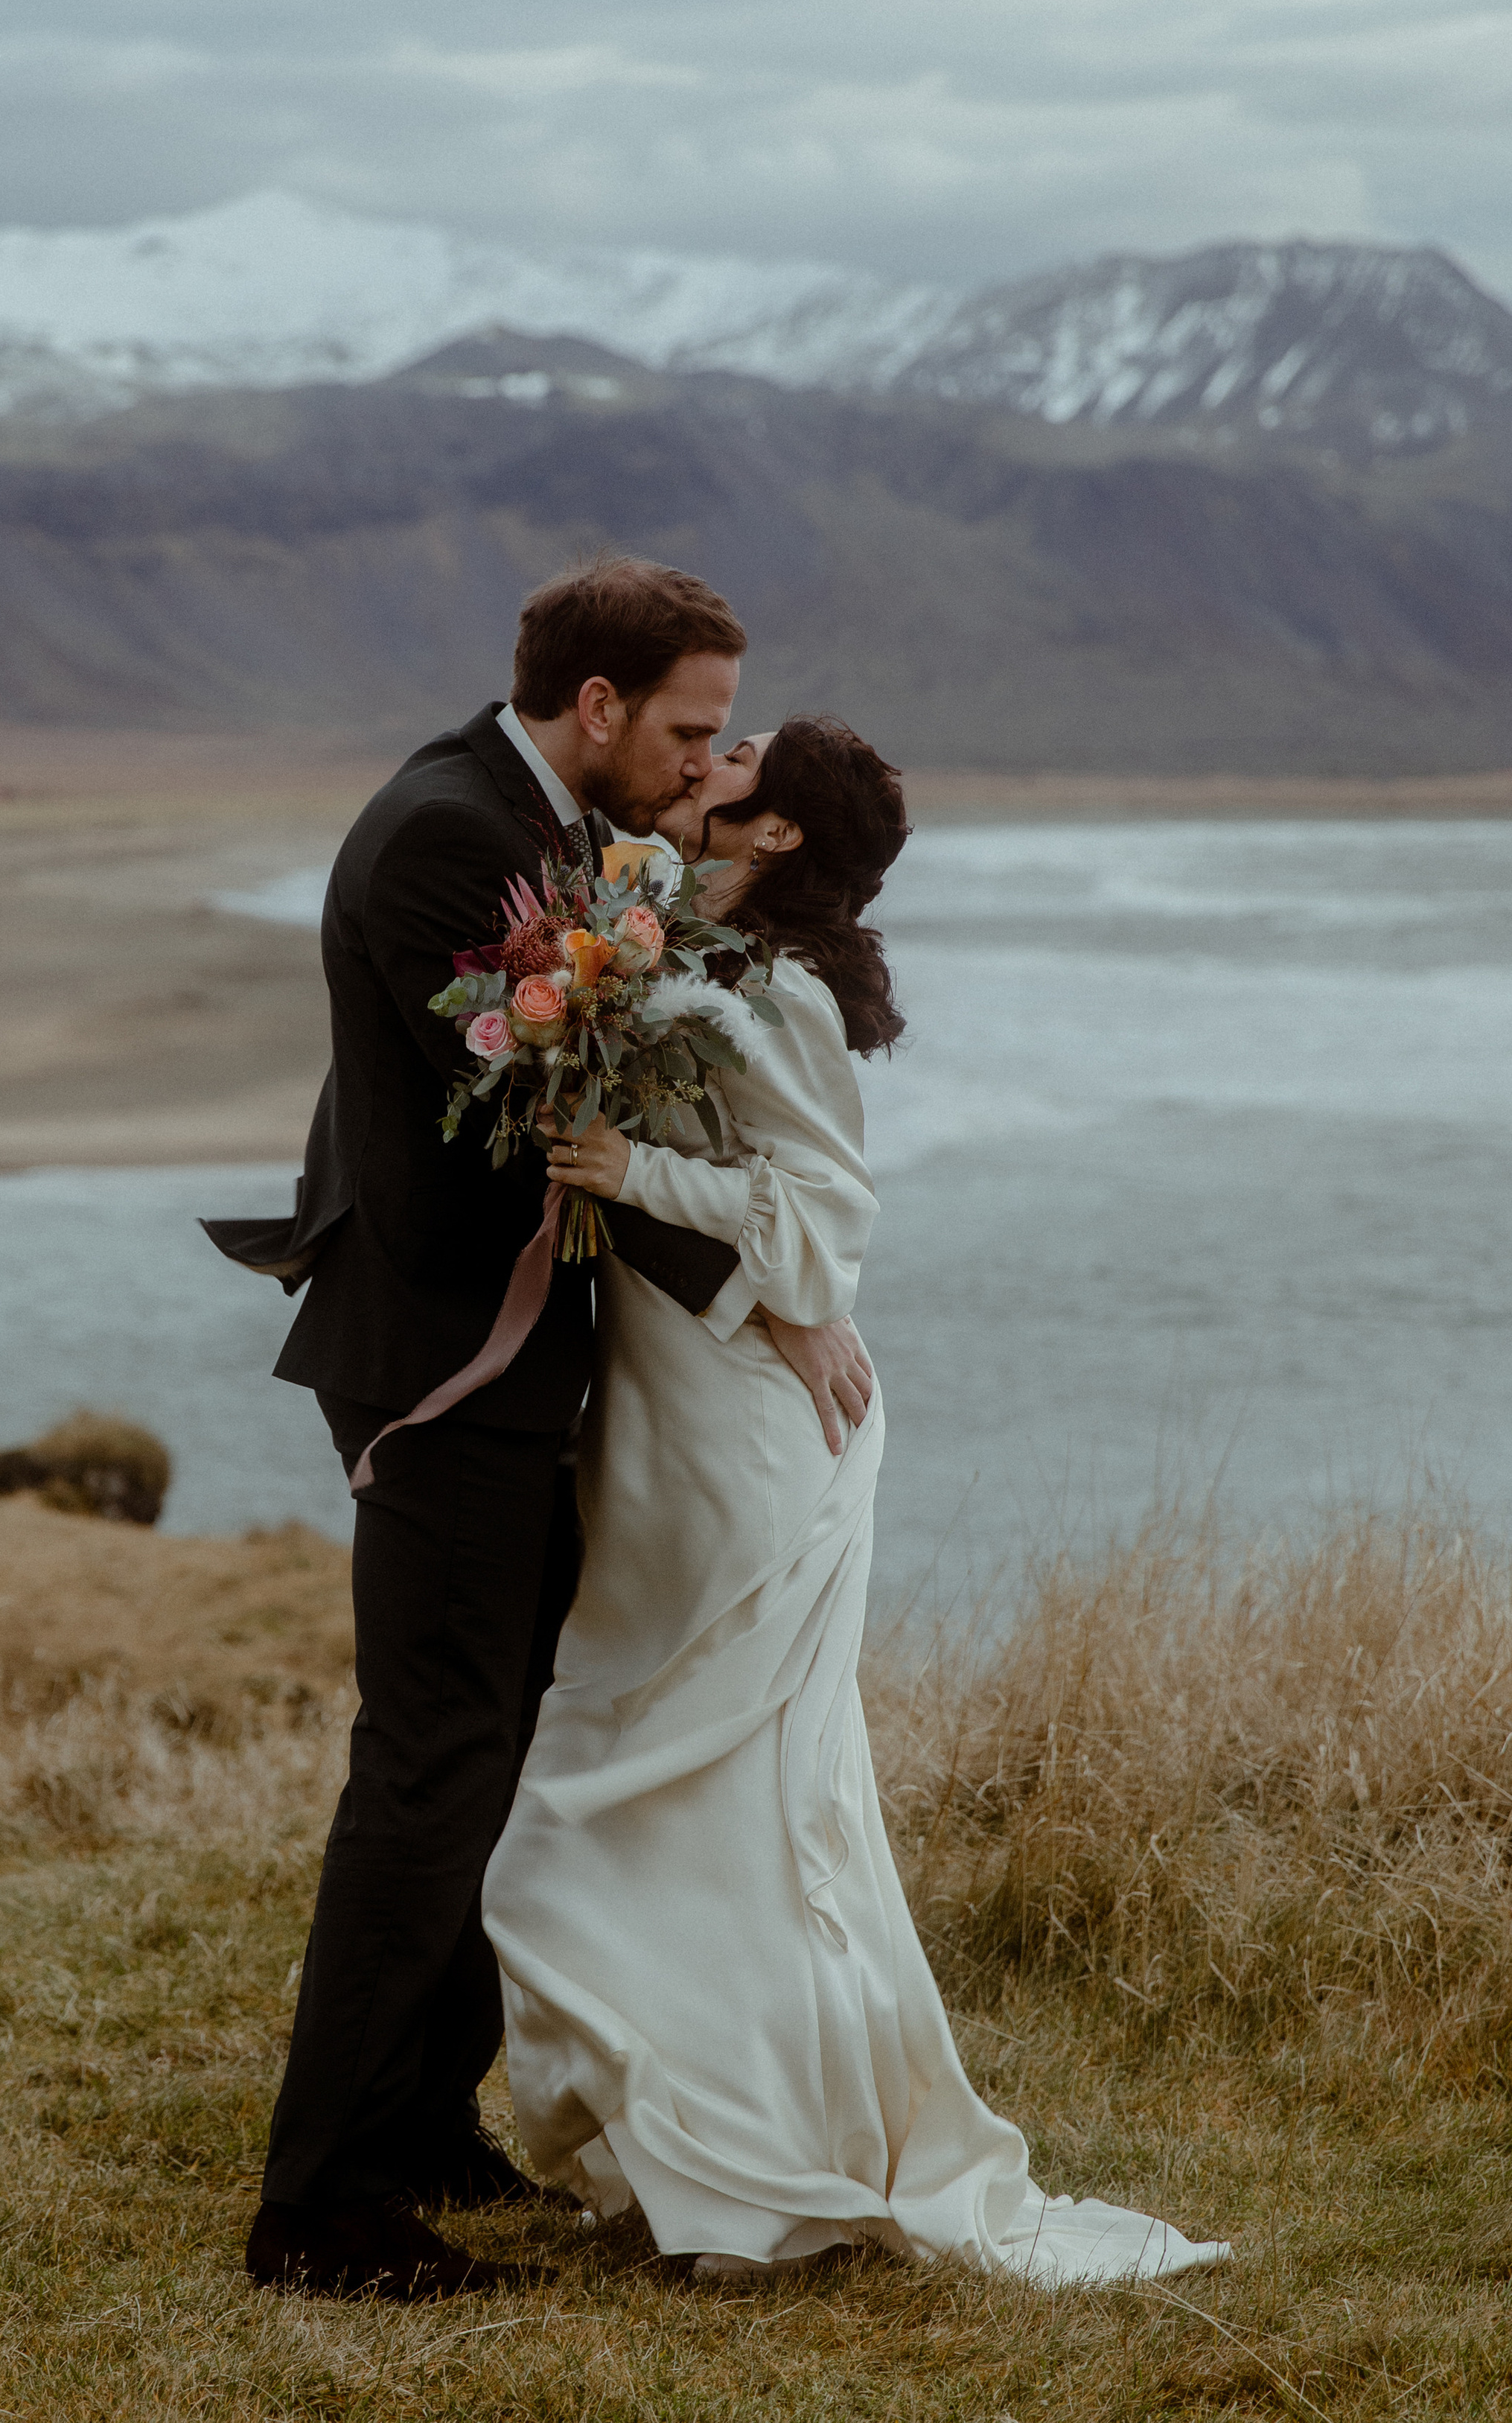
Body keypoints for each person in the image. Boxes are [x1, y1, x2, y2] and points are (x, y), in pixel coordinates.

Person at [484, 716, 1231, 2286]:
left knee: (687, 1782)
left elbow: (823, 1231)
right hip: (669, 1404)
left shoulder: (776, 993)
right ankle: (694, 2125)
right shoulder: (678, 938)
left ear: (773, 837)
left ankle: (747, 2146)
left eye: (738, 760)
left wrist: (627, 1173)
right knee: (687, 1779)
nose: (712, 759)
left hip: (749, 1433)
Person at [207, 559, 875, 2303]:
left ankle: (423, 2127)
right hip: (444, 1364)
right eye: (684, 728)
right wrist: (772, 1300)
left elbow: (452, 1082)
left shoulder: (524, 814)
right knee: (431, 1768)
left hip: (502, 1361)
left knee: (485, 1755)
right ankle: (322, 2208)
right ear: (596, 708)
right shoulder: (451, 832)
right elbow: (538, 1117)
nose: (695, 760)